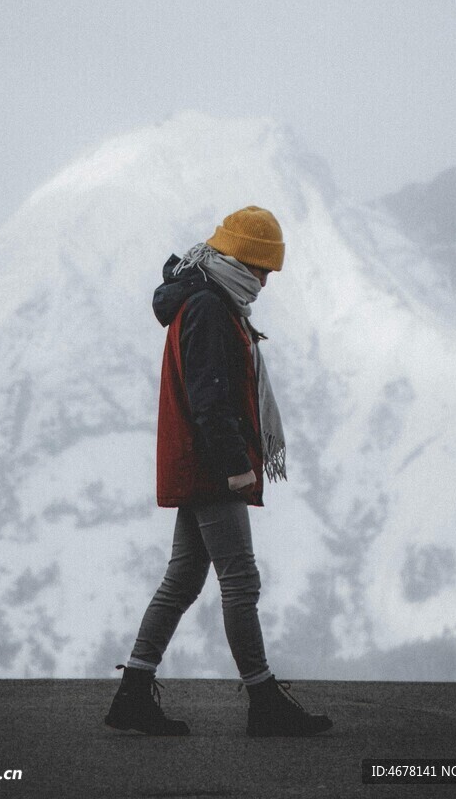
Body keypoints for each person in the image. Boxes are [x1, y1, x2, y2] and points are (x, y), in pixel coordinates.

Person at [105, 206, 332, 737]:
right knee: (241, 580)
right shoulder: (209, 307)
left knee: (183, 578)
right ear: (246, 261)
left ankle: (133, 695)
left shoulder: (206, 298)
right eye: (265, 269)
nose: (268, 280)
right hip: (210, 467)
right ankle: (263, 701)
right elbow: (209, 396)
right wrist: (236, 467)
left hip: (197, 461)